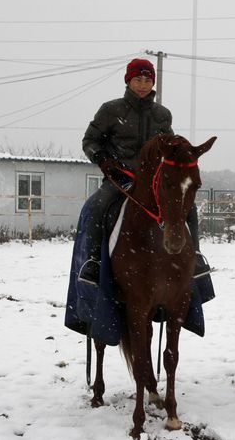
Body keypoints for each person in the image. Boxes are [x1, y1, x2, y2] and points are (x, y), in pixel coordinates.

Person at [77, 58, 207, 285]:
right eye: (138, 79)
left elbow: (171, 147)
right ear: (128, 81)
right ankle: (93, 262)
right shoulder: (110, 110)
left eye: (148, 80)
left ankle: (195, 256)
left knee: (189, 208)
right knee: (97, 205)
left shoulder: (163, 114)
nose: (143, 84)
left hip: (155, 182)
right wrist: (102, 159)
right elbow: (90, 140)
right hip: (120, 178)